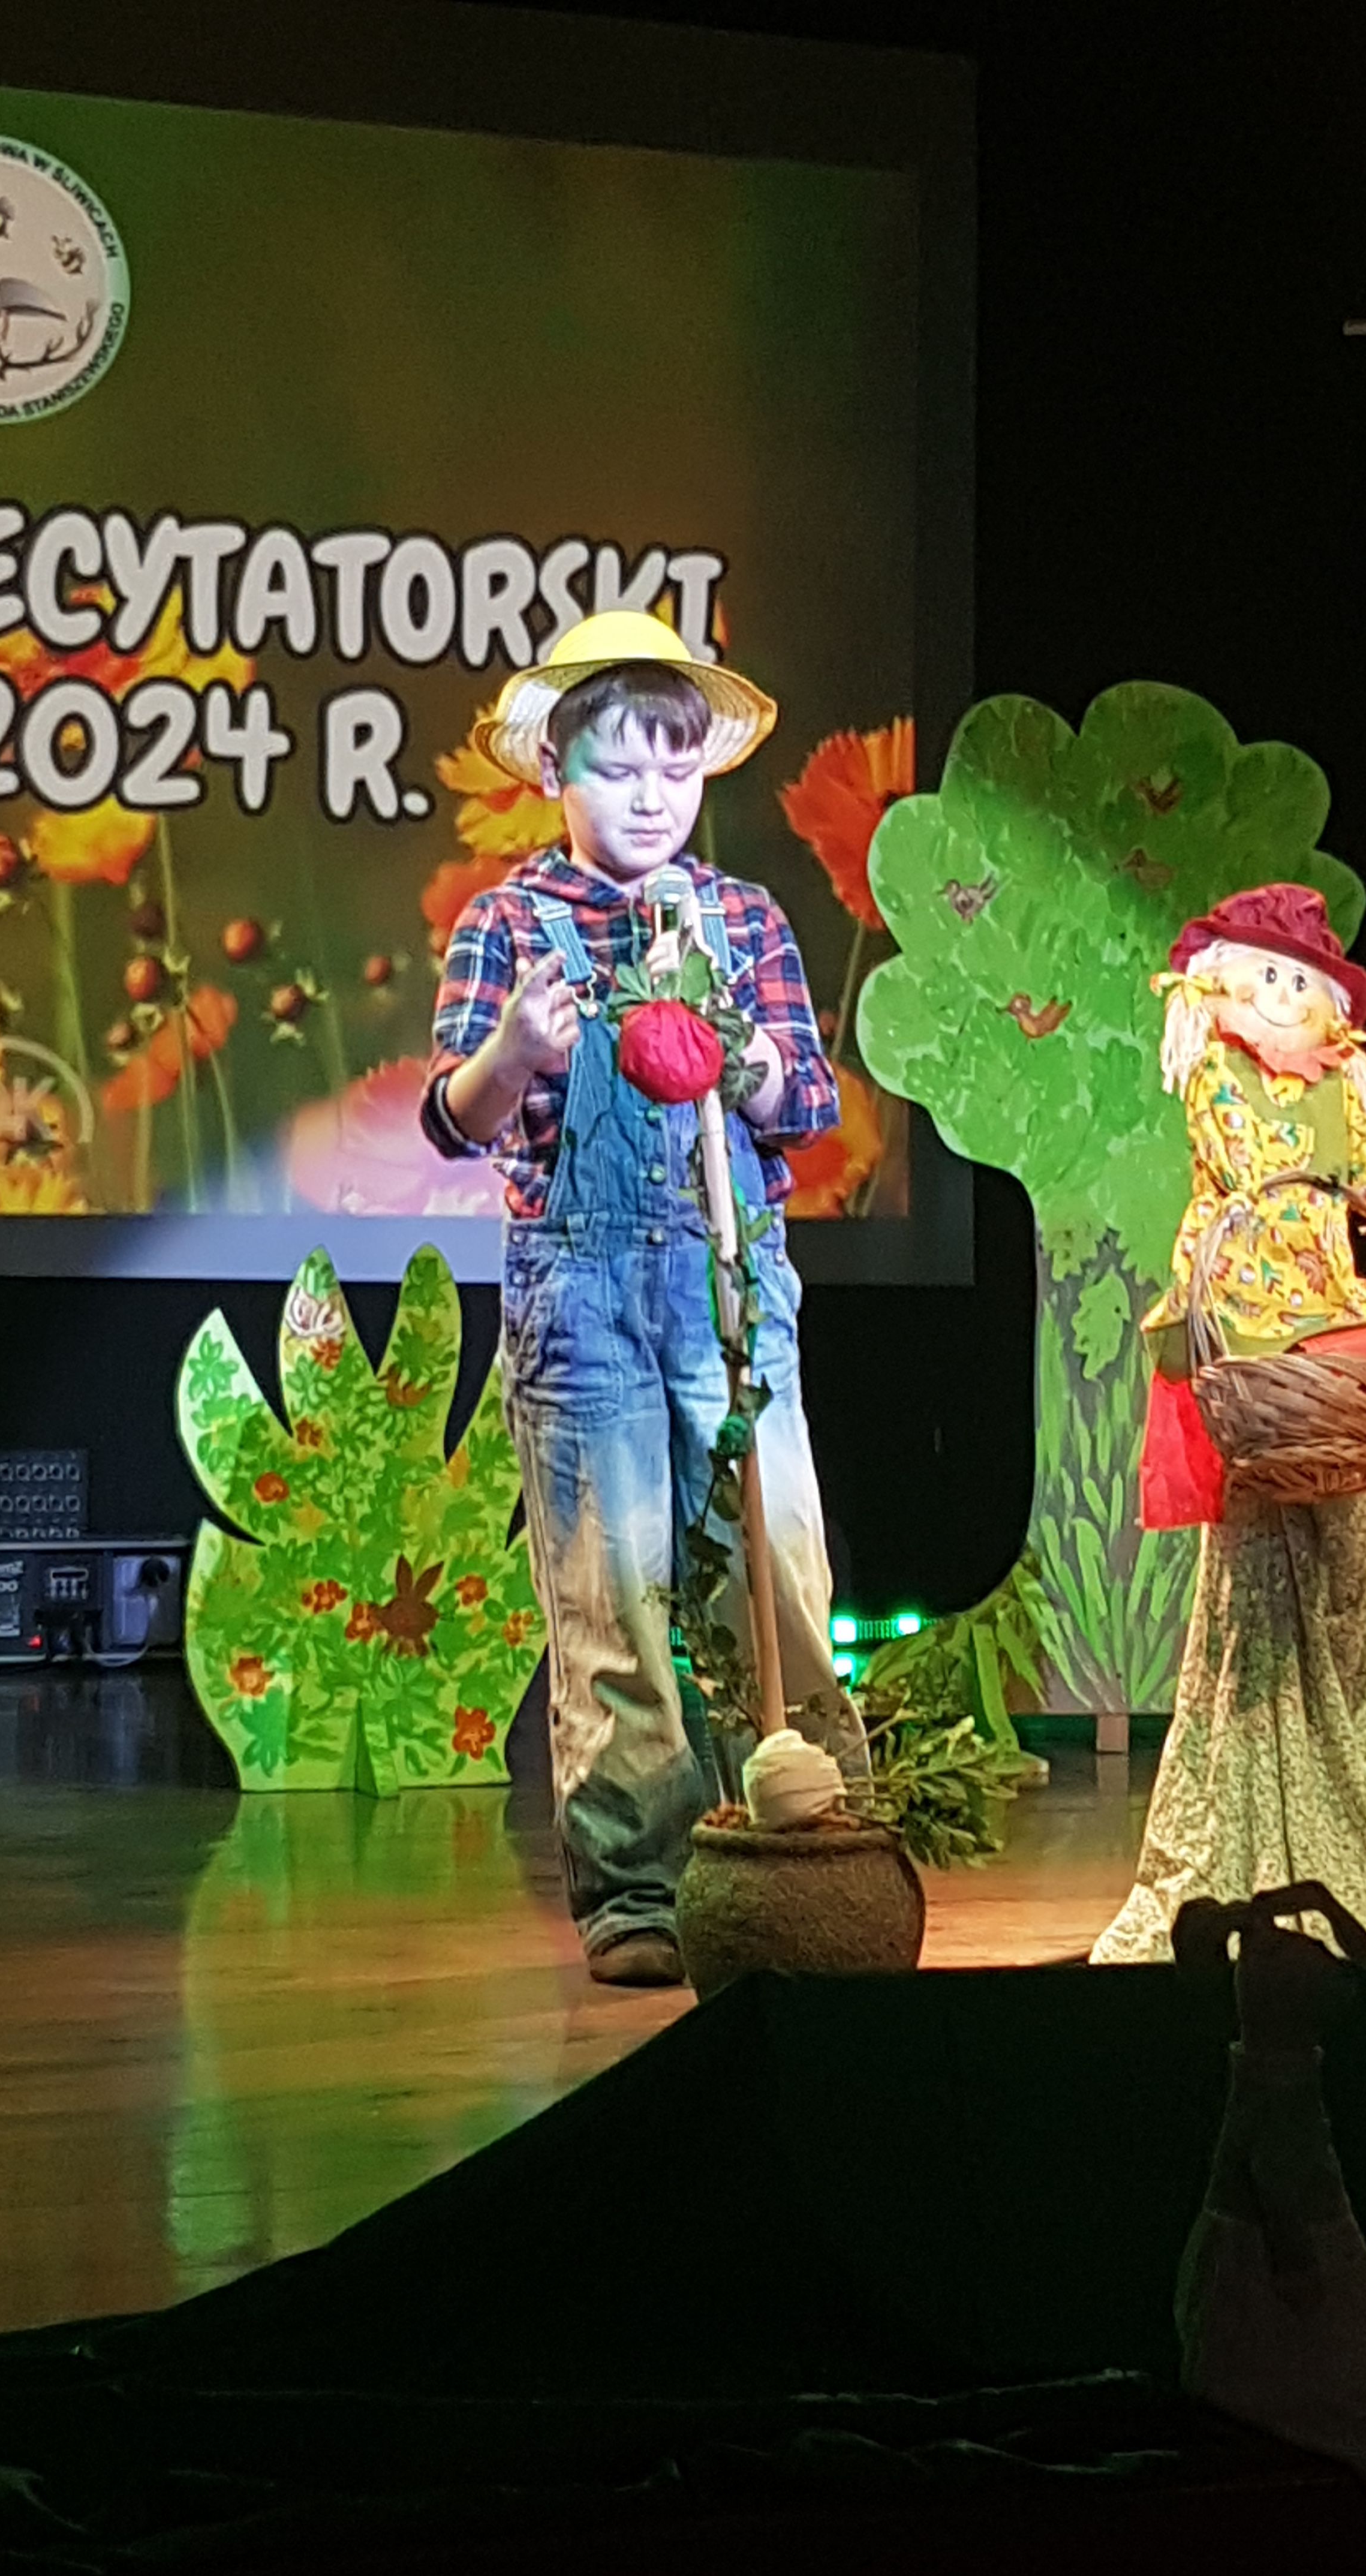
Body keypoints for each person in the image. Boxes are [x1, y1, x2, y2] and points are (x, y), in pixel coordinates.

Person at [420, 609, 863, 1986]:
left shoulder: (739, 919)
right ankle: (637, 1886)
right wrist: (513, 1049)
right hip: (582, 1289)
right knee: (612, 1594)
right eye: (617, 771)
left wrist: (749, 1067)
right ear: (557, 773)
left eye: (674, 770)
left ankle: (808, 1844)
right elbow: (453, 1120)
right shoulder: (508, 923)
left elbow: (807, 1102)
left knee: (774, 1567)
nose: (650, 797)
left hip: (727, 1282)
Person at [1093, 884, 1366, 1962]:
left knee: (1350, 1572)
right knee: (1254, 1579)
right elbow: (1246, 1167)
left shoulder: (1348, 1087)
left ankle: (1350, 1789)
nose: (1280, 993)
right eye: (1262, 972)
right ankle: (1253, 1804)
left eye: (1299, 980)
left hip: (1331, 1354)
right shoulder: (1219, 1069)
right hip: (1251, 1343)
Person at [1174, 1882, 1366, 2531]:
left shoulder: (1262, 2060)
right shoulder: (1276, 2077)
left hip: (1282, 2257)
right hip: (1293, 2267)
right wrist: (1294, 2257)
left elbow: (1363, 1975)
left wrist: (1316, 1903)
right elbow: (1273, 2164)